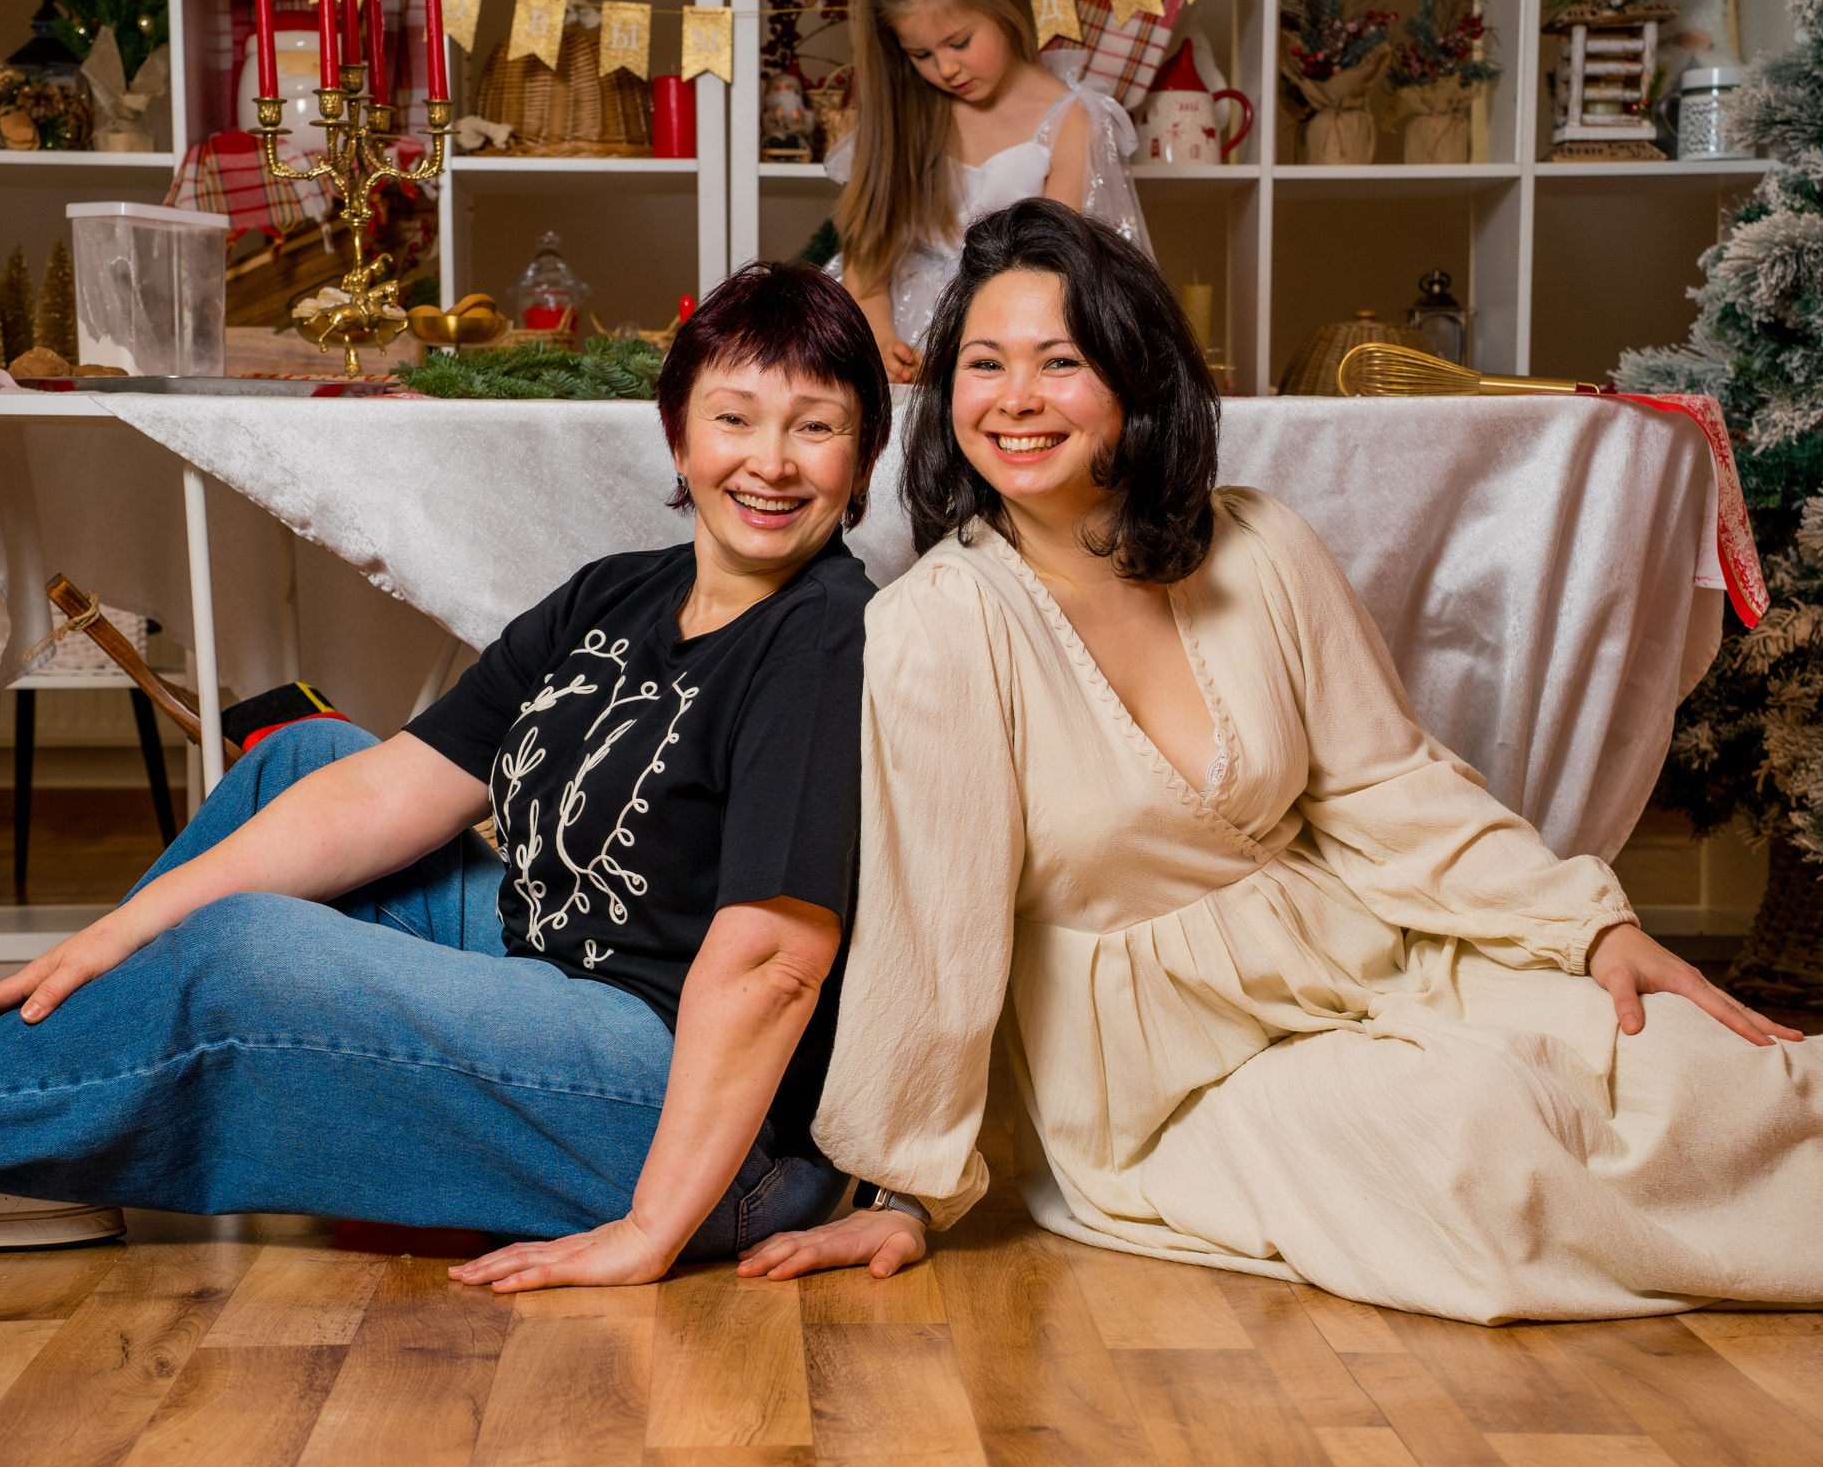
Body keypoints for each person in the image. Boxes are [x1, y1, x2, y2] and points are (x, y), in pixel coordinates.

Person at [739, 200, 1823, 1323]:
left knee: (1698, 1068)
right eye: (984, 363)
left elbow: (1392, 785)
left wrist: (1588, 926)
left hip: (1370, 954)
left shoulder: (1258, 544)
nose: (1016, 398)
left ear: (1136, 375)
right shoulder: (939, 624)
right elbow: (935, 921)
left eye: (1060, 361)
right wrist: (904, 1187)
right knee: (1479, 1130)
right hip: (1171, 1073)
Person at [0, 261, 892, 1293]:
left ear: (862, 456)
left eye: (815, 427)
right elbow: (391, 788)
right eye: (735, 418)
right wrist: (119, 931)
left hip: (690, 1109)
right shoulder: (618, 592)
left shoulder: (827, 636)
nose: (771, 462)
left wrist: (651, 1228)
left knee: (249, 952)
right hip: (550, 969)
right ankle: (27, 1141)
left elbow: (776, 962)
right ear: (680, 435)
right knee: (300, 760)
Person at [829, 0, 1148, 383]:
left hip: (1015, 340)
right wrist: (882, 341)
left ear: (1005, 9)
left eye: (959, 43)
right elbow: (866, 265)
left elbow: (1059, 272)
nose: (946, 68)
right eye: (921, 55)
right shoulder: (901, 117)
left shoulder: (1070, 119)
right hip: (905, 342)